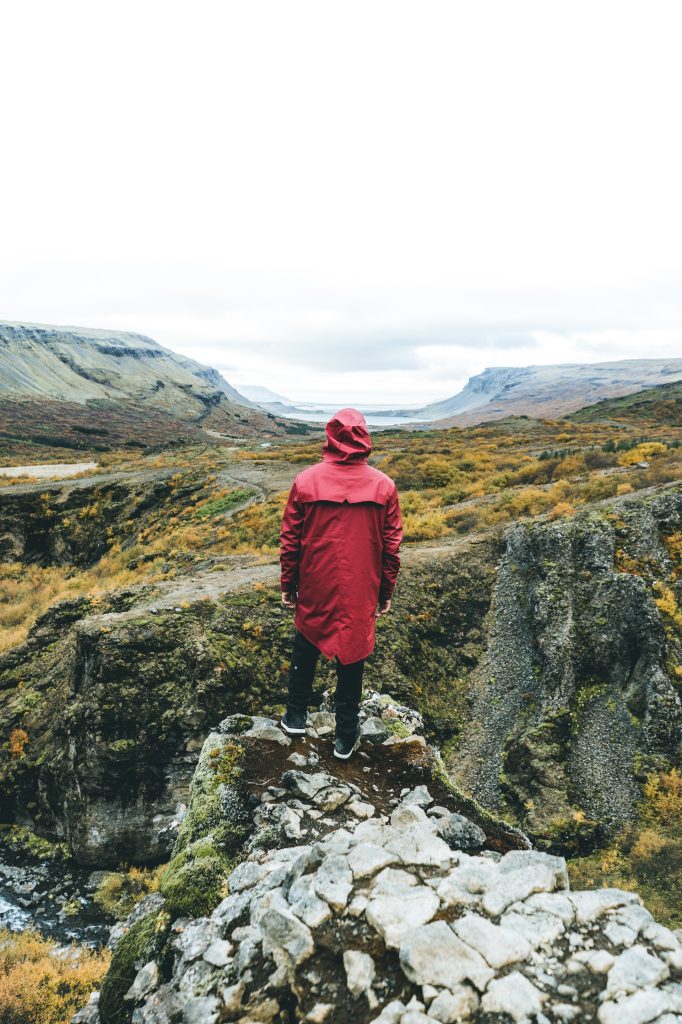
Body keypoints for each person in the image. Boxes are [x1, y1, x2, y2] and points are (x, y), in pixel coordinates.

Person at [279, 407, 403, 759]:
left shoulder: (306, 481)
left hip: (316, 581)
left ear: (330, 436)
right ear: (365, 437)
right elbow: (391, 547)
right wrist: (385, 591)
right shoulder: (384, 486)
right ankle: (345, 735)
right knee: (352, 654)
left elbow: (290, 540)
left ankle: (294, 716)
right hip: (361, 587)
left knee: (306, 640)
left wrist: (289, 583)